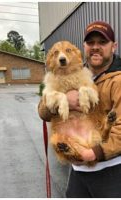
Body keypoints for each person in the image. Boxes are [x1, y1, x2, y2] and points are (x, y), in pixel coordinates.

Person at [38, 21, 121, 197]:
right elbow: (42, 112)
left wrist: (93, 153)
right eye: (91, 43)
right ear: (83, 47)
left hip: (111, 170)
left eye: (102, 42)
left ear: (114, 46)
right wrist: (62, 100)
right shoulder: (72, 70)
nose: (95, 47)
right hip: (77, 169)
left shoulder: (118, 80)